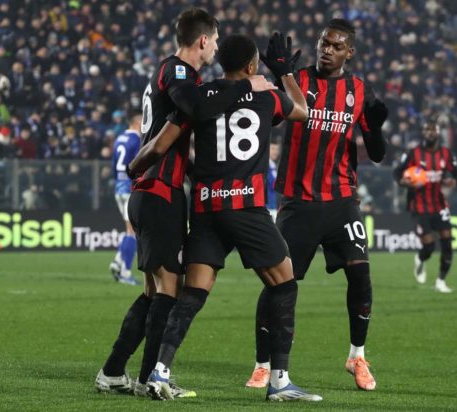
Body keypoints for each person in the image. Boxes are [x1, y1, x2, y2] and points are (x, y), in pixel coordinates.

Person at [95, 7, 274, 397]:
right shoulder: (177, 71)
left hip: (154, 190)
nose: (216, 50)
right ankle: (150, 379)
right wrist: (247, 86)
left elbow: (178, 134)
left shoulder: (176, 75)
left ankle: (113, 372)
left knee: (153, 291)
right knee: (168, 291)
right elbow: (196, 106)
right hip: (159, 192)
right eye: (215, 40)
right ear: (203, 40)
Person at [135, 32, 321, 402]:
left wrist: (137, 166)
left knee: (193, 293)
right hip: (246, 207)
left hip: (206, 209)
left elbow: (164, 141)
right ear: (252, 66)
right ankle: (280, 381)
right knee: (284, 284)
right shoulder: (267, 95)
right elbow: (303, 111)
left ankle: (159, 372)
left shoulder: (201, 96)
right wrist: (285, 73)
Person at [246, 19, 388, 392]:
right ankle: (263, 364)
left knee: (361, 275)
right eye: (324, 43)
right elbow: (268, 115)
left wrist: (377, 129)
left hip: (342, 200)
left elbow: (376, 154)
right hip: (298, 202)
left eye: (336, 46)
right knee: (279, 282)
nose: (328, 50)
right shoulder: (297, 81)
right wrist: (276, 78)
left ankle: (357, 356)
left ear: (349, 52)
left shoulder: (359, 90)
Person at [393, 118, 457, 293]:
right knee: (429, 246)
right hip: (419, 206)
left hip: (439, 204)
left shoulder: (446, 154)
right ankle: (420, 258)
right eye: (427, 130)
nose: (430, 133)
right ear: (423, 133)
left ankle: (440, 281)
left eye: (433, 130)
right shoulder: (413, 153)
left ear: (438, 133)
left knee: (447, 243)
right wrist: (404, 182)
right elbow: (397, 172)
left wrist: (451, 181)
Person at [108, 109, 141, 286]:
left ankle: (118, 261)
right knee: (133, 231)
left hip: (119, 188)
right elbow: (138, 164)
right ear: (136, 122)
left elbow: (114, 165)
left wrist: (119, 181)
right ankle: (125, 272)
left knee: (130, 229)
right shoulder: (136, 140)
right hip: (130, 188)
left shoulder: (119, 138)